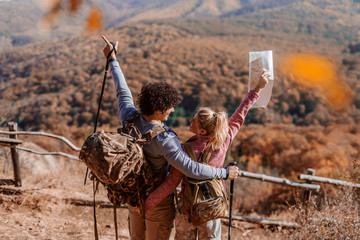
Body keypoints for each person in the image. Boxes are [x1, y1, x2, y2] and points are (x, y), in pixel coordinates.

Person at [101, 35, 239, 240]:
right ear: (158, 110)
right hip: (158, 205)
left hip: (133, 198)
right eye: (169, 107)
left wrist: (113, 60)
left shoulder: (129, 117)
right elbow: (192, 168)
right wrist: (224, 173)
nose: (172, 110)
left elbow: (122, 91)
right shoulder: (165, 140)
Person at [144, 71, 270, 239]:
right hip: (211, 207)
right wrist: (257, 89)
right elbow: (240, 115)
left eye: (193, 121)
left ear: (201, 130)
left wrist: (147, 203)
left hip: (187, 208)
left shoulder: (183, 150)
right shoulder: (223, 142)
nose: (190, 121)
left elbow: (171, 183)